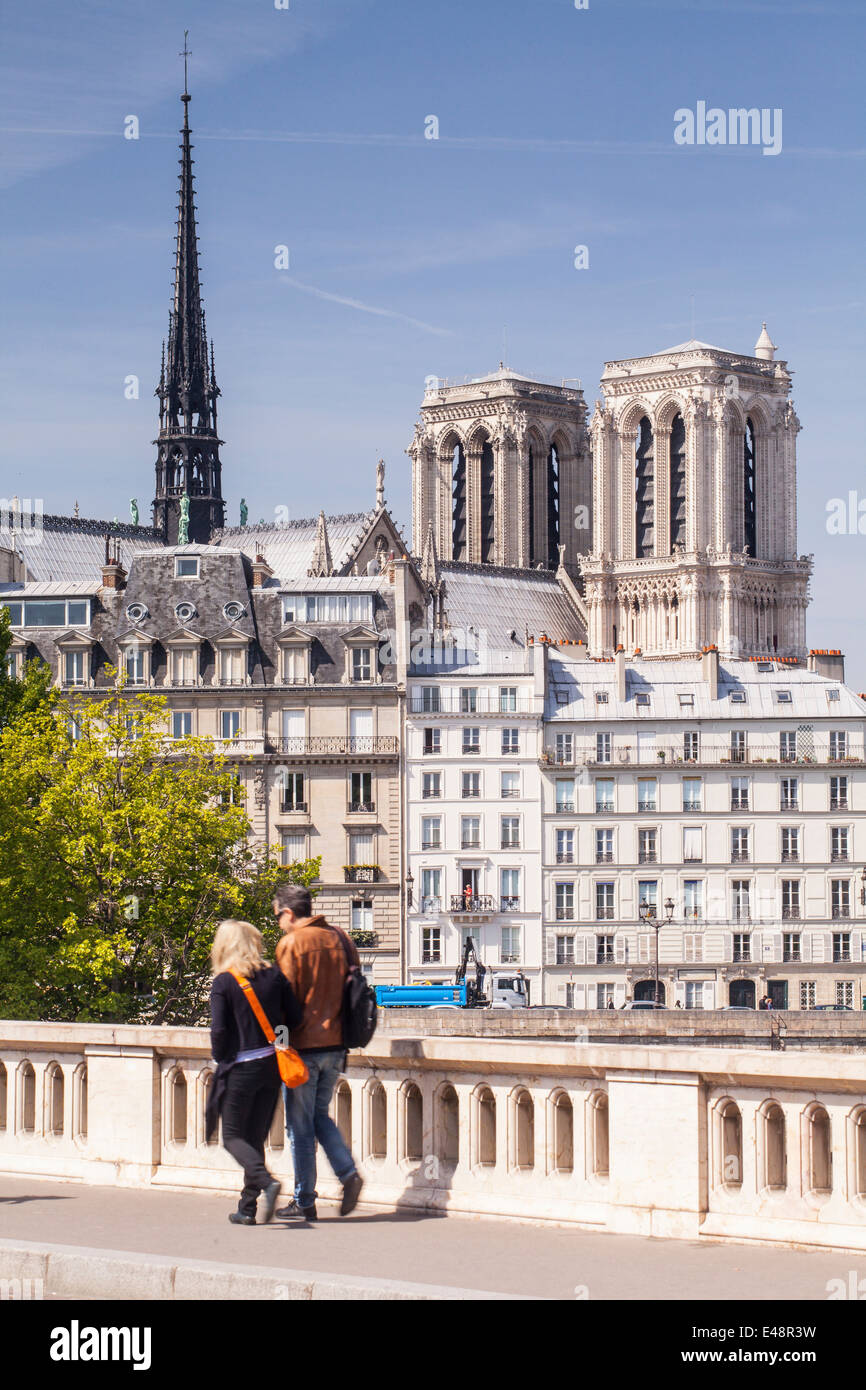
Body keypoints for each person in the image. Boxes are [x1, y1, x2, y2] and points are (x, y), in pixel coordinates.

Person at [273, 883, 364, 1221]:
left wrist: (280, 1046)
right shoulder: (339, 937)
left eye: (278, 917)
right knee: (319, 1116)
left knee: (299, 1127)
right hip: (337, 1044)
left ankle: (304, 1199)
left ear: (288, 912)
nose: (279, 925)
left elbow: (284, 1003)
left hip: (303, 1047)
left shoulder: (292, 943)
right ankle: (347, 1173)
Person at [207, 919, 303, 1226]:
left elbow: (219, 1031)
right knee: (255, 1138)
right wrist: (281, 1048)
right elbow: (293, 1017)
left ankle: (266, 1182)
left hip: (240, 1068)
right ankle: (247, 1209)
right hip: (271, 1066)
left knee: (233, 1136)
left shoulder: (224, 982)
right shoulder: (273, 975)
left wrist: (222, 1059)